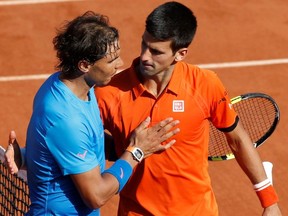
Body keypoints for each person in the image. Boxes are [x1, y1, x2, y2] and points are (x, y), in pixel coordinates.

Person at [6, 2, 282, 216]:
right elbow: (77, 141)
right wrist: (138, 148)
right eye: (144, 44)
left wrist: (269, 200)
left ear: (180, 53)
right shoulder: (108, 89)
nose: (144, 57)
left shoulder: (205, 85)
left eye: (157, 51)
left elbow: (237, 137)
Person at [5, 11, 180, 215]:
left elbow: (78, 143)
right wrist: (136, 151)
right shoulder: (66, 118)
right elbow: (96, 196)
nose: (120, 64)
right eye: (111, 60)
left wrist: (26, 156)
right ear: (85, 65)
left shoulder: (74, 87)